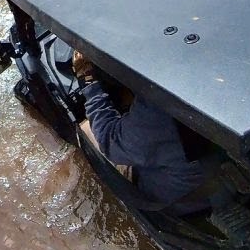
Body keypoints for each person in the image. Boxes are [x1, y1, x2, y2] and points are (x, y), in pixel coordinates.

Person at [72, 51, 208, 215]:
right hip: (220, 172)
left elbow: (109, 141)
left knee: (84, 133)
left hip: (182, 199)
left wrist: (88, 82)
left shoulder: (157, 110)